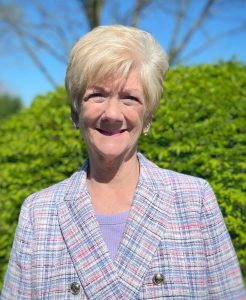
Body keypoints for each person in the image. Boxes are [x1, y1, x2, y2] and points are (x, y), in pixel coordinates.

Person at [1, 25, 245, 299]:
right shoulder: (38, 213)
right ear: (75, 111)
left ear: (148, 117)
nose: (113, 114)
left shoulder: (195, 200)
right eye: (97, 95)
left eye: (130, 98)